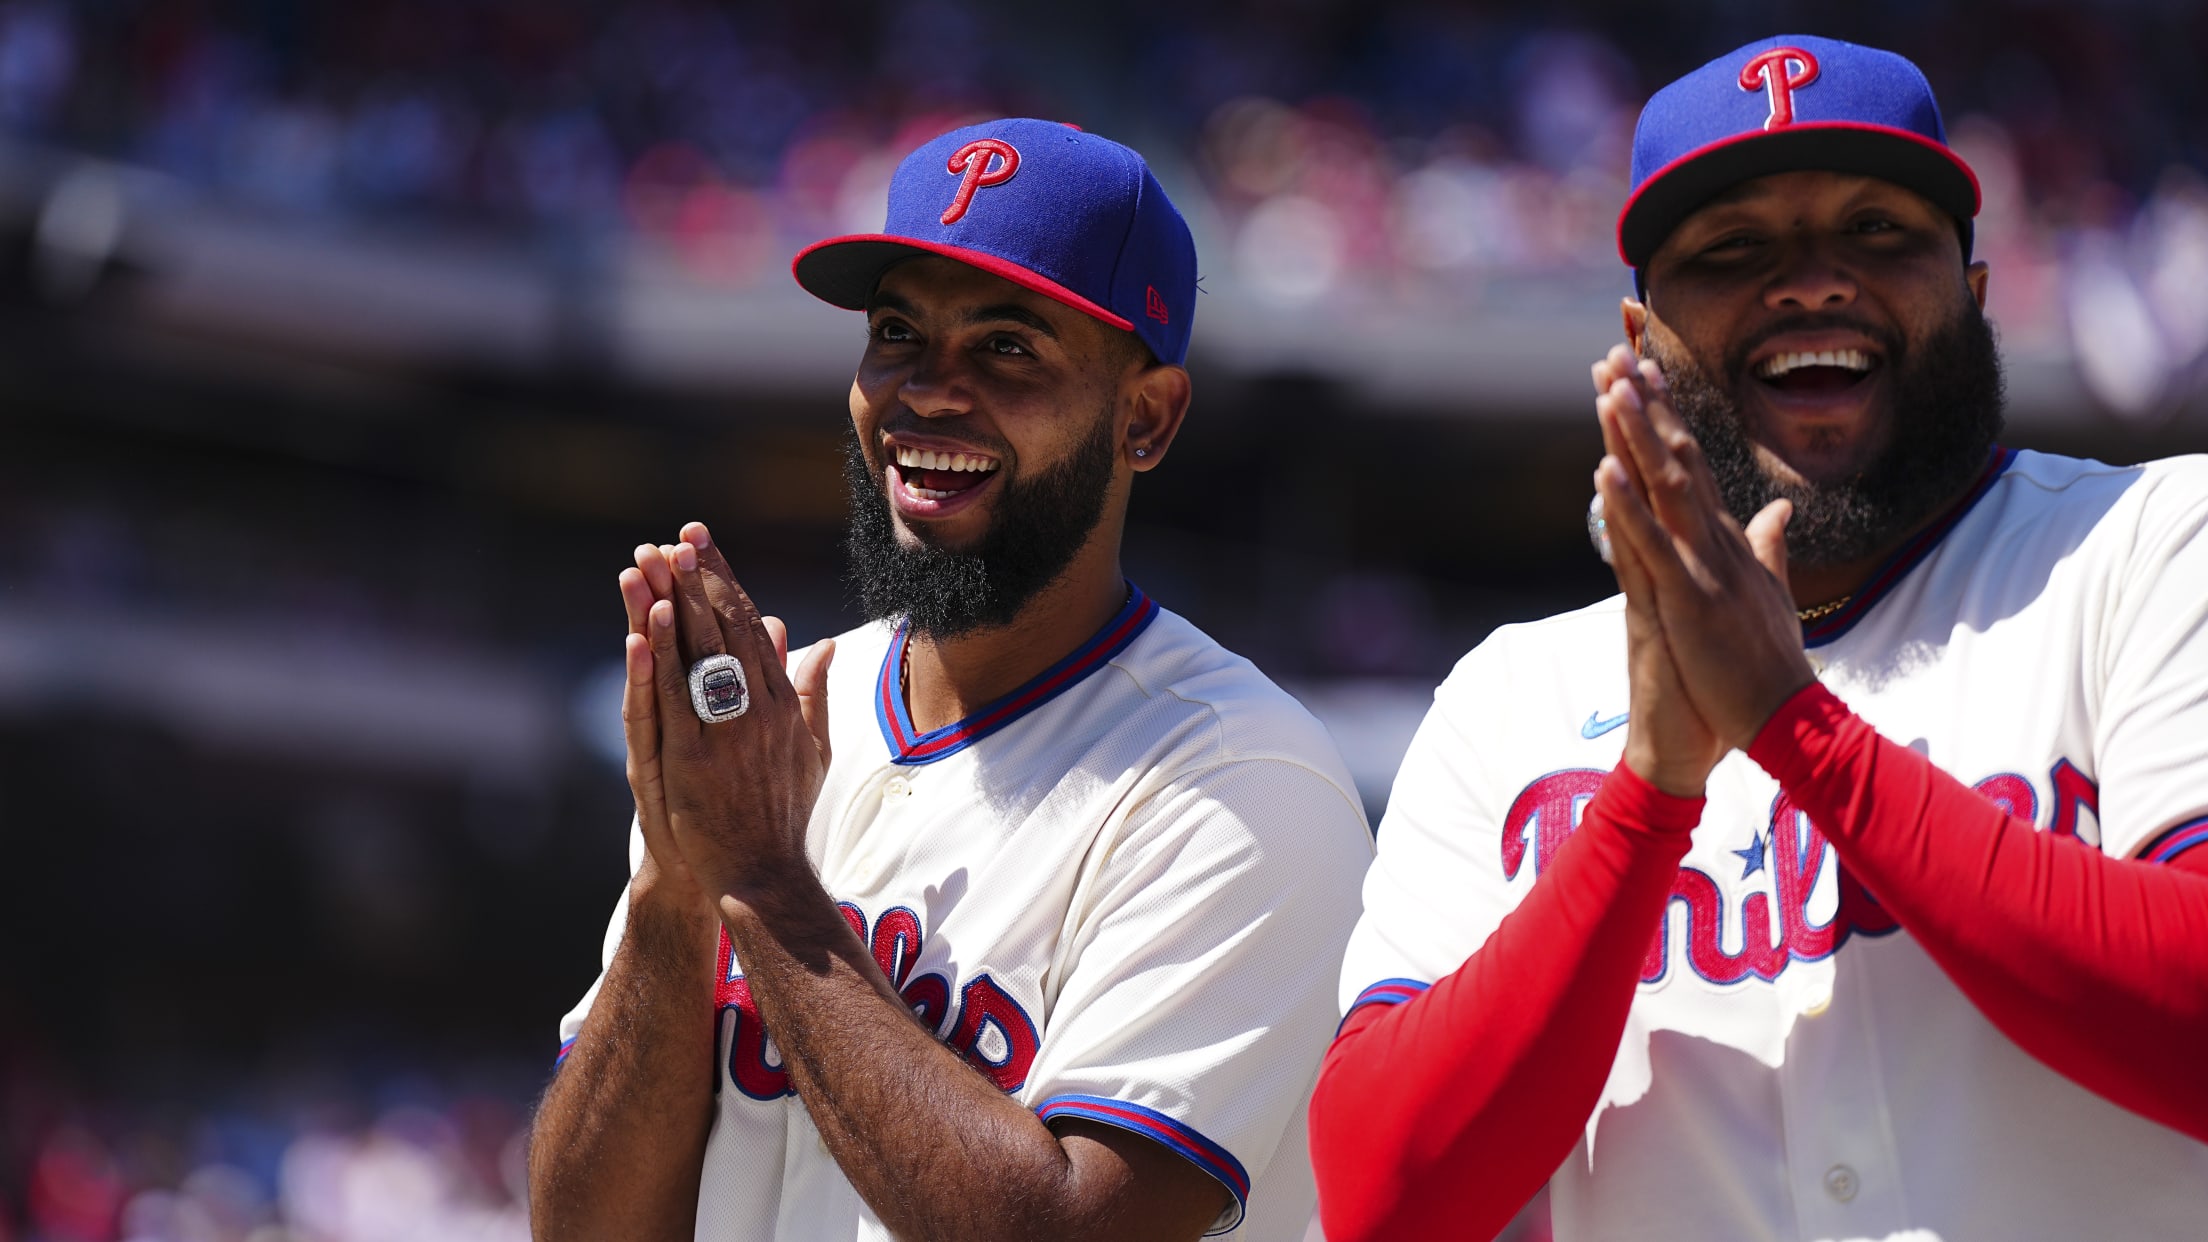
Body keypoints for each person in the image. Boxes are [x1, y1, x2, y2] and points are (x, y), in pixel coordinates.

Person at [1311, 34, 2208, 1242]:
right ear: (1642, 339)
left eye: (1880, 232)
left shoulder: (2154, 545)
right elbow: (1387, 1196)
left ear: (1980, 294)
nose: (1813, 284)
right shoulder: (1511, 698)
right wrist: (1647, 796)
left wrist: (1800, 732)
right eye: (1735, 250)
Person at [527, 118, 1372, 1242]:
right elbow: (585, 1230)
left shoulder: (1242, 781)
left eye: (1008, 346)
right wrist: (679, 888)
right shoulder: (772, 726)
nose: (929, 393)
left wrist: (762, 879)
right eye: (896, 334)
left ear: (1146, 417)